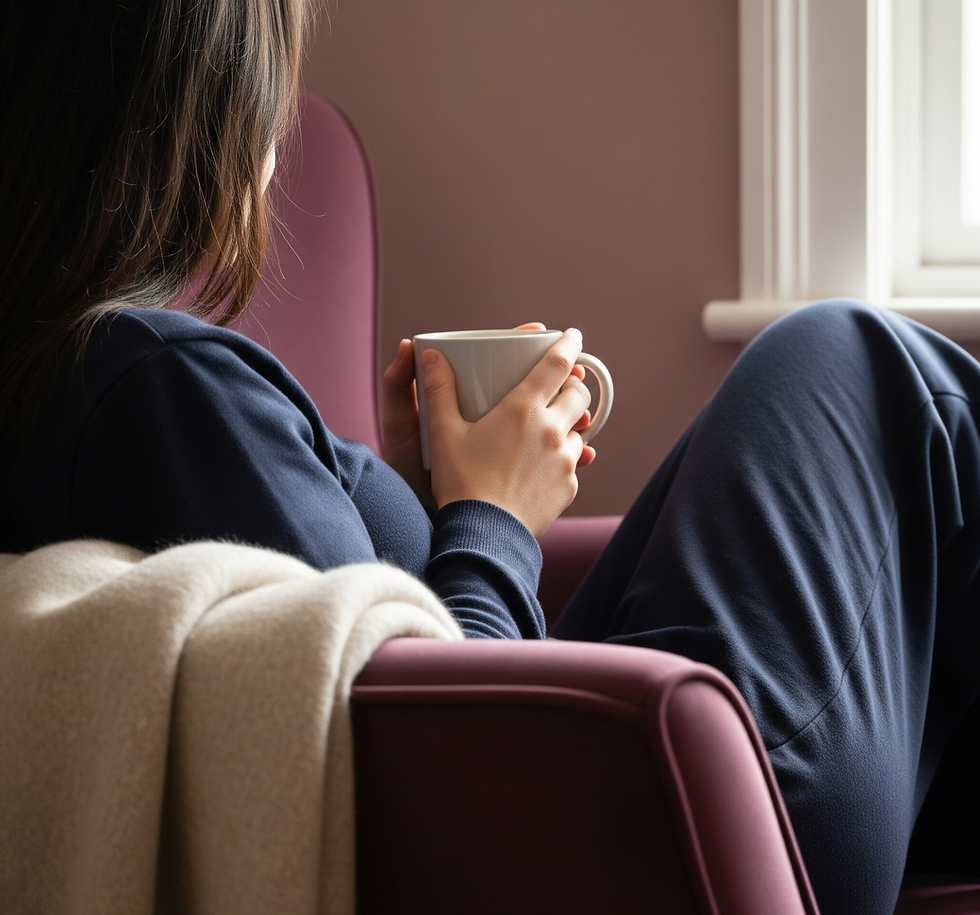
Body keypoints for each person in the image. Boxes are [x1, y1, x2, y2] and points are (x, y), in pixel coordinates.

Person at [1, 3, 978, 915]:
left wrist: (422, 502)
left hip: (603, 798)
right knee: (852, 366)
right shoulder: (160, 384)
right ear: (197, 113)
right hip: (630, 844)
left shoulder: (85, 385)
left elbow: (346, 643)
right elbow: (444, 746)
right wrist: (492, 515)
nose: (277, 137)